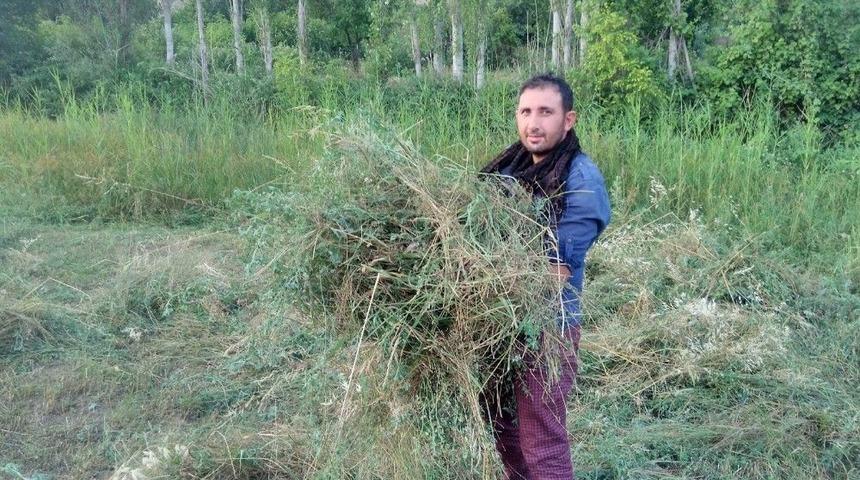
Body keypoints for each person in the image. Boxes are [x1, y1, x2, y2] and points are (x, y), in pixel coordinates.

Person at [479, 74, 611, 479]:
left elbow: (554, 274)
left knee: (542, 440)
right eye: (525, 111)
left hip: (548, 330)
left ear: (568, 120)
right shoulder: (510, 169)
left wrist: (477, 284)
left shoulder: (581, 180)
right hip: (502, 324)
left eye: (545, 112)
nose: (533, 123)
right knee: (502, 426)